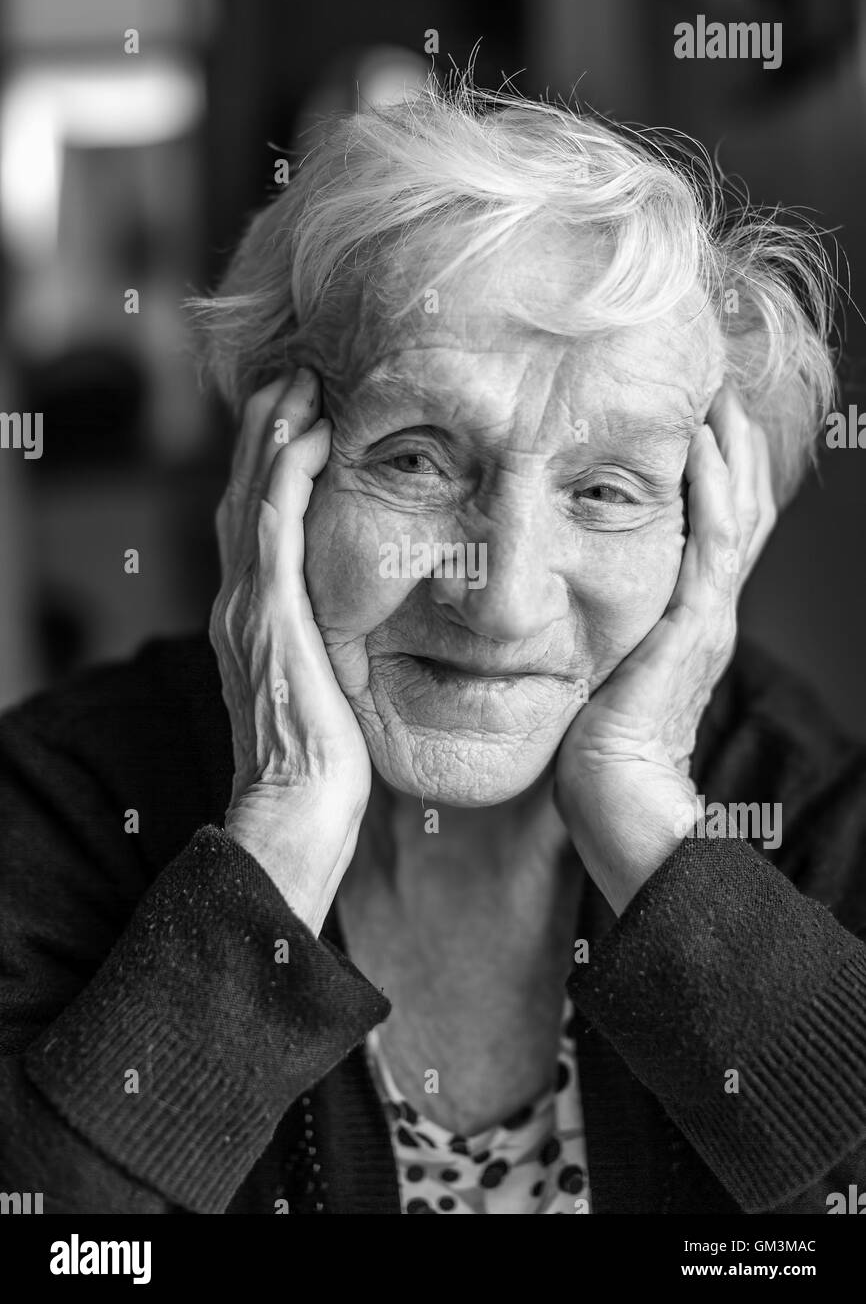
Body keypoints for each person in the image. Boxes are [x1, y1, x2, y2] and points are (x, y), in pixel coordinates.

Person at [1, 81, 864, 1216]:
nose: (500, 601)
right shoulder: (60, 802)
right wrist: (280, 834)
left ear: (710, 530)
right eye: (415, 460)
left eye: (606, 491)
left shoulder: (801, 812)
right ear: (273, 466)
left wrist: (653, 828)